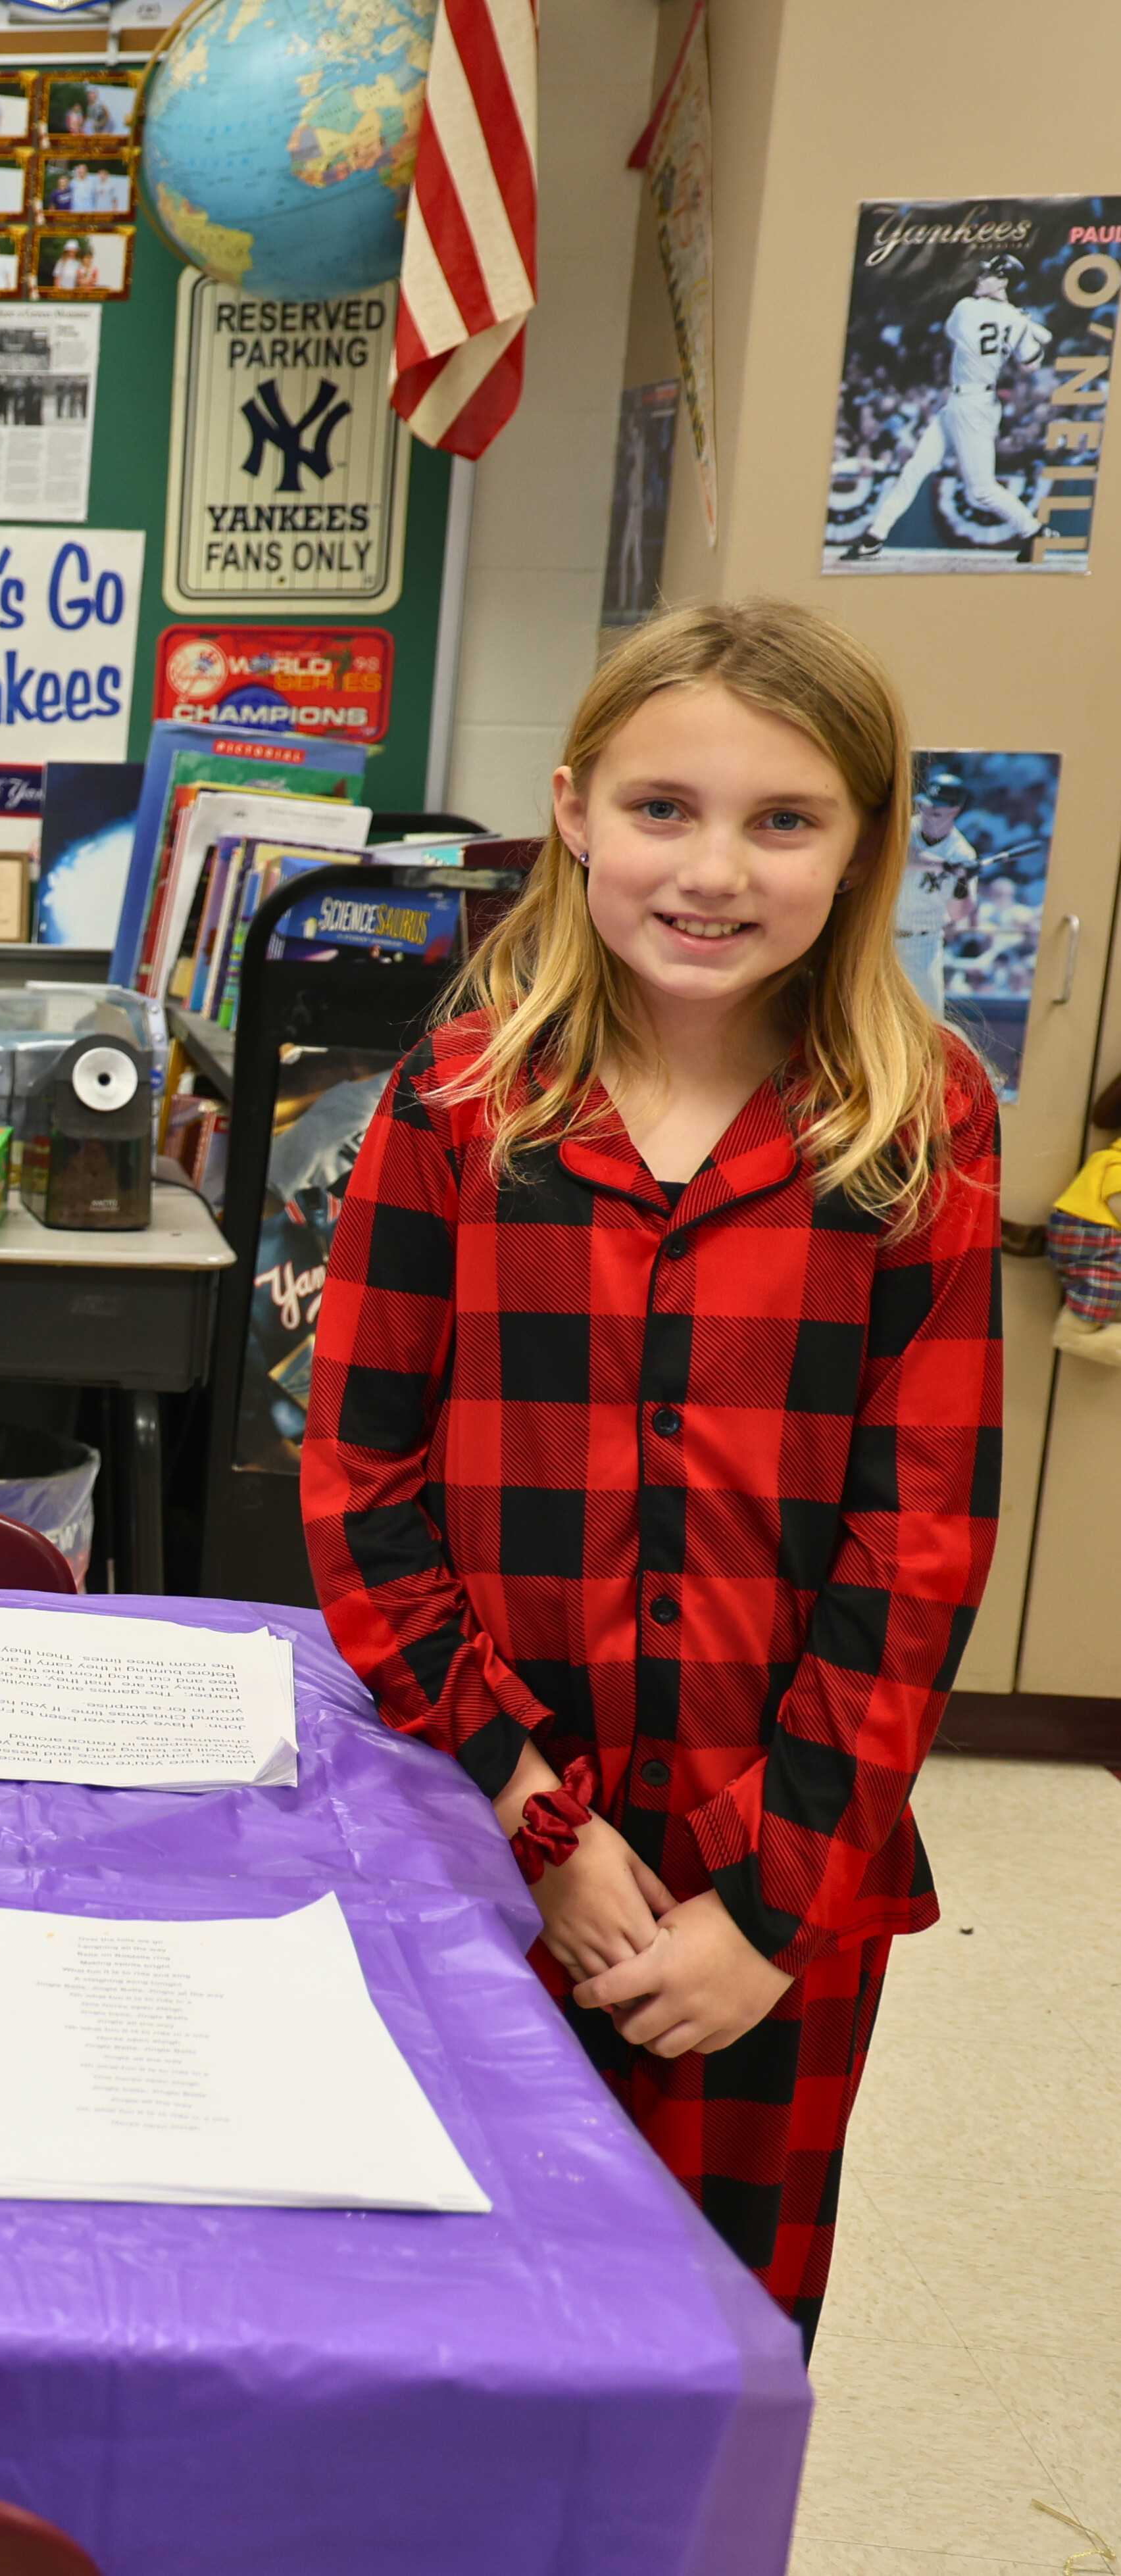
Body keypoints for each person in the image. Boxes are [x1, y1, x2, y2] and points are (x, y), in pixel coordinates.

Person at [301, 598, 1002, 2352]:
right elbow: (362, 1494)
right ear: (572, 813)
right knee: (447, 2327)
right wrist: (542, 1818)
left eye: (784, 819)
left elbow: (918, 1546)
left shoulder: (922, 1126)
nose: (714, 867)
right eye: (662, 808)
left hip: (785, 1878)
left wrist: (767, 1908)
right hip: (485, 1844)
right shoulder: (456, 1109)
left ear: (861, 847)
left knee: (705, 2347)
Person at [842, 250, 1051, 564]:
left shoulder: (967, 308)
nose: (980, 279)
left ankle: (1033, 531)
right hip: (964, 402)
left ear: (1003, 281)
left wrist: (1015, 321)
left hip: (973, 405)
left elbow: (957, 331)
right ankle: (875, 536)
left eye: (989, 275)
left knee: (981, 490)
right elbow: (1031, 365)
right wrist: (1024, 327)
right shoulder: (1013, 319)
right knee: (914, 470)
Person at [891, 760, 984, 1011]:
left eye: (937, 811)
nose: (928, 813)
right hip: (881, 938)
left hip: (923, 944)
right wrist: (946, 866)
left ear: (955, 811)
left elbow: (958, 914)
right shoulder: (904, 828)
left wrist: (962, 881)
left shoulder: (962, 852)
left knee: (931, 1021)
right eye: (926, 806)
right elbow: (904, 856)